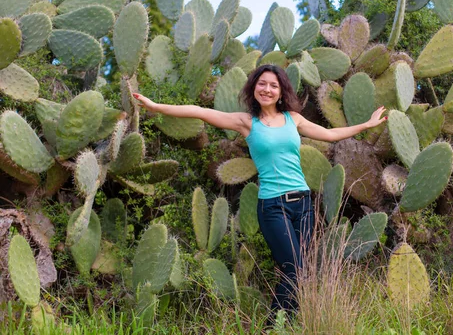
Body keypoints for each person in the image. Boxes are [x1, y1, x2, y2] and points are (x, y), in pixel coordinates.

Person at [133, 64, 386, 321]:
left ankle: (289, 322)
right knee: (294, 269)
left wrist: (366, 124)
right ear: (254, 87)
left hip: (304, 204)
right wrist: (156, 107)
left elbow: (331, 135)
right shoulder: (246, 123)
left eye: (273, 85)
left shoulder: (293, 119)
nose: (267, 89)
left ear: (281, 91)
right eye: (262, 84)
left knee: (303, 271)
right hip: (273, 206)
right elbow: (200, 111)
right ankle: (271, 326)